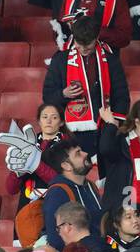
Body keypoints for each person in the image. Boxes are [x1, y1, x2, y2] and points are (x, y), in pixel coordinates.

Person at [42, 17, 131, 157]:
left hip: (104, 128)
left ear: (96, 38)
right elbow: (47, 97)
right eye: (79, 44)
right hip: (72, 132)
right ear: (73, 37)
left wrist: (114, 123)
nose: (83, 49)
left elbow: (122, 95)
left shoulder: (110, 59)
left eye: (87, 45)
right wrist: (63, 94)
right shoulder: (60, 59)